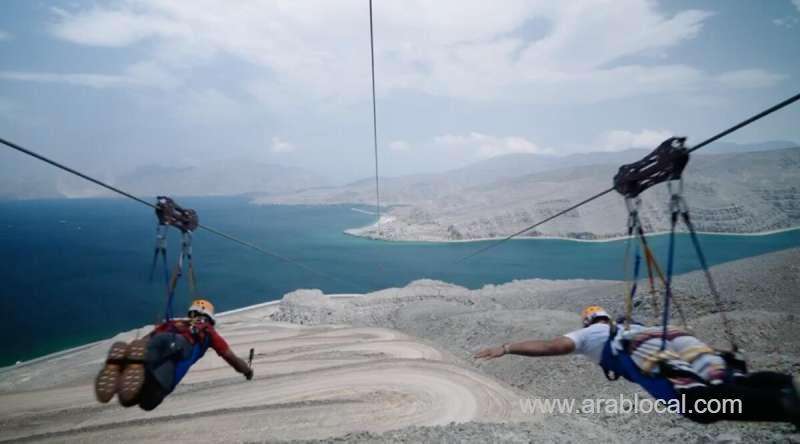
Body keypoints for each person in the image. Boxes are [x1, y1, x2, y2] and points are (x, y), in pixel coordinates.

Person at [475, 305, 800, 424]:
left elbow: (552, 346)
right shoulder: (633, 325)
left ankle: (785, 403)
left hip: (653, 360)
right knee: (725, 382)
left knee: (698, 405)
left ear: (589, 322)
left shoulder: (593, 334)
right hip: (683, 345)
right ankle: (782, 385)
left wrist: (506, 348)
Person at [95, 299, 253, 410]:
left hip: (156, 349)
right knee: (148, 403)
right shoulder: (208, 332)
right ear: (210, 318)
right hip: (172, 362)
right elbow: (230, 357)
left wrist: (131, 353)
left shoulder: (172, 324)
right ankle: (134, 368)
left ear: (191, 312)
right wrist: (247, 370)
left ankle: (122, 364)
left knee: (127, 398)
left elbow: (143, 343)